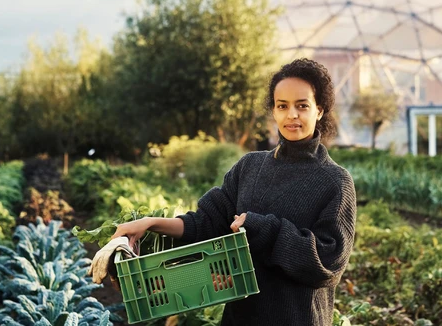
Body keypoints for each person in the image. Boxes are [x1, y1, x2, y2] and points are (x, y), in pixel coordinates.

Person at [111, 58, 357, 326]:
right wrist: (150, 224)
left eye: (302, 106)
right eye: (282, 106)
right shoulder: (250, 166)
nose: (292, 115)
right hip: (241, 317)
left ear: (319, 111)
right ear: (273, 111)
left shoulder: (334, 181)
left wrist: (263, 229)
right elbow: (206, 222)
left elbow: (328, 264)